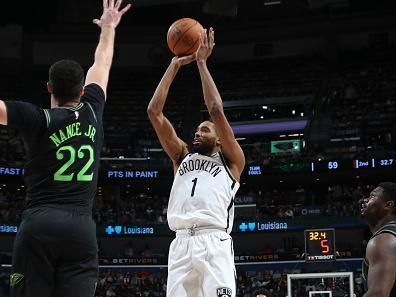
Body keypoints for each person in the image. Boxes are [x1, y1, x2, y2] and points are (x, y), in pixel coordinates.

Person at [0, 1, 131, 296]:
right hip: (81, 230)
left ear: (48, 87)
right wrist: (109, 27)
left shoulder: (37, 117)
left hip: (39, 223)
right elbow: (103, 63)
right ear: (83, 90)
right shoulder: (93, 109)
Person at [147, 27, 245, 297]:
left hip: (214, 241)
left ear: (220, 140)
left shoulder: (232, 161)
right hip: (180, 243)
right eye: (197, 130)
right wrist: (173, 65)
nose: (197, 132)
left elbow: (215, 109)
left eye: (205, 130)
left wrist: (201, 62)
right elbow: (154, 112)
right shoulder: (181, 156)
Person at [361, 182, 396, 297]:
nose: (365, 200)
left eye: (372, 196)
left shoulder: (384, 240)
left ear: (388, 205)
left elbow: (377, 294)